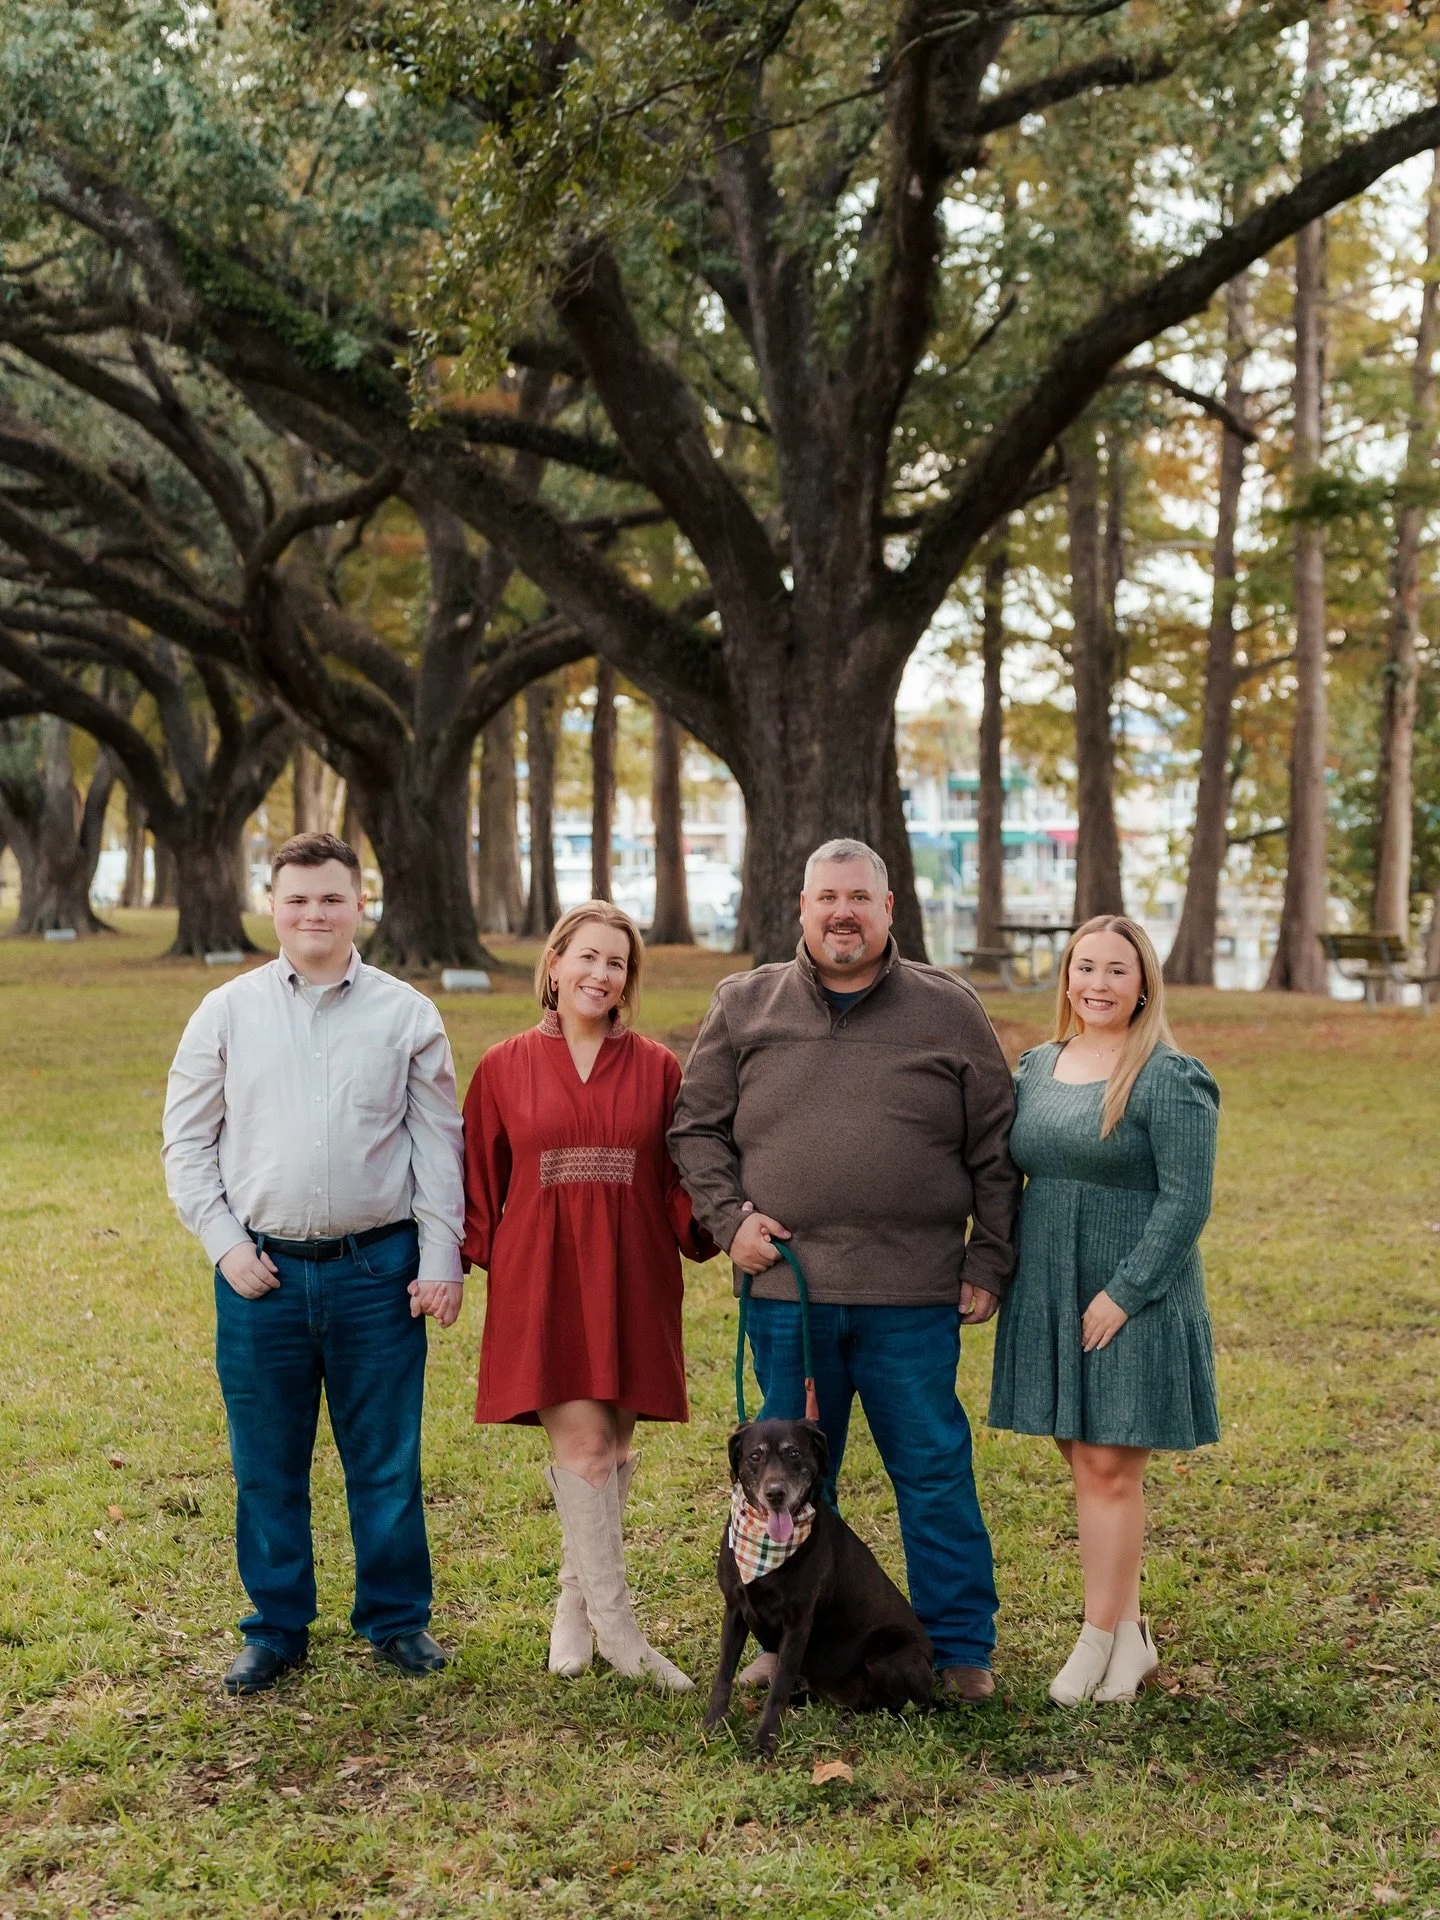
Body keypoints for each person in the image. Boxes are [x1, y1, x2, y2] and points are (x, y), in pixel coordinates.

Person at [669, 838, 1020, 1703]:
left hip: (913, 1295)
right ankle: (770, 1634)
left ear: (889, 907)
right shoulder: (745, 1004)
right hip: (789, 1294)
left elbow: (997, 1148)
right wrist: (732, 1220)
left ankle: (961, 1645)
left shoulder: (949, 1009)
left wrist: (989, 1256)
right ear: (801, 907)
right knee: (778, 1482)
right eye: (827, 897)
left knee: (933, 1469)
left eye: (859, 897)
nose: (842, 913)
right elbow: (694, 1131)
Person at [162, 833, 465, 1696]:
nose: (313, 914)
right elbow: (186, 1144)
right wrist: (225, 1244)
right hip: (262, 1276)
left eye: (330, 898)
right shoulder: (226, 1012)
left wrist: (440, 1257)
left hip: (379, 1272)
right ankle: (277, 1627)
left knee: (386, 1461)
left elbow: (439, 1145)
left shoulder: (406, 1014)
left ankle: (397, 1620)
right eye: (297, 899)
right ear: (272, 905)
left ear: (359, 903)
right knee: (267, 1462)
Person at [461, 901, 714, 1692]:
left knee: (613, 1446)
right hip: (544, 1278)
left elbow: (678, 1178)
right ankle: (622, 1634)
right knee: (584, 1449)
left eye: (618, 964)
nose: (601, 975)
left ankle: (573, 1611)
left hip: (634, 1274)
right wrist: (453, 1263)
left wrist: (722, 1223)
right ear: (555, 962)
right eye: (589, 957)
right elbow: (476, 1179)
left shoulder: (658, 1067)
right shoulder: (503, 1065)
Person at [988, 914, 1220, 1706]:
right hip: (1049, 1284)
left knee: (1110, 1467)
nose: (1097, 984)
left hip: (1132, 1289)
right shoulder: (1036, 1067)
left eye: (1117, 970)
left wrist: (1124, 1294)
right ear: (1066, 978)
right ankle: (1131, 1634)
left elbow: (1187, 1199)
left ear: (1143, 982)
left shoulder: (1167, 1074)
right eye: (1084, 967)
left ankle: (1094, 1639)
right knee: (1081, 1458)